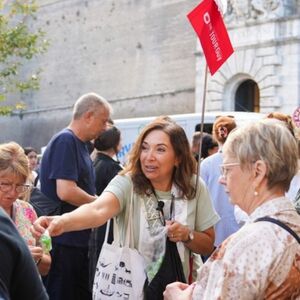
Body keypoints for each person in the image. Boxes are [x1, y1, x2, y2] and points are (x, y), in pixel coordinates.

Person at [32, 118, 219, 298]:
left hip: (178, 290)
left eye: (160, 149)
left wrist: (187, 235)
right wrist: (61, 222)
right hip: (128, 289)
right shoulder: (127, 182)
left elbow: (208, 244)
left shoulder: (194, 186)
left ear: (178, 157)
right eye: (145, 148)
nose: (149, 157)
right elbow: (98, 210)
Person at [164, 119, 300, 299]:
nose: (221, 179)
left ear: (257, 171)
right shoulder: (292, 225)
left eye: (227, 169)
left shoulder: (248, 244)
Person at [39, 92, 111, 300]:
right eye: (103, 120)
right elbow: (66, 191)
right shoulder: (66, 141)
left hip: (76, 239)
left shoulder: (80, 145)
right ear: (88, 116)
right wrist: (98, 203)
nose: (105, 127)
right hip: (64, 240)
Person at [0, 142, 51, 276]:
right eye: (5, 184)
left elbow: (47, 264)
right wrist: (19, 255)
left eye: (19, 186)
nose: (12, 193)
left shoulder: (27, 210)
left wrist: (36, 259)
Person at [88, 125, 123, 290]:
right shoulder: (113, 168)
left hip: (94, 224)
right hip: (108, 226)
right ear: (115, 144)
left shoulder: (94, 162)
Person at [200, 116, 241, 247]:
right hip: (238, 230)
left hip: (213, 233)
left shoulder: (206, 164)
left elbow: (199, 198)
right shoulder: (244, 161)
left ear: (214, 135)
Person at [0, 207, 48, 300]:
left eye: (19, 190)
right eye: (4, 190)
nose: (12, 193)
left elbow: (47, 266)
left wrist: (34, 258)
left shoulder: (27, 209)